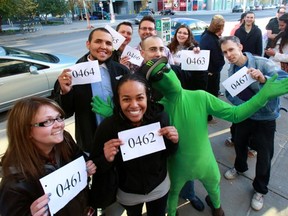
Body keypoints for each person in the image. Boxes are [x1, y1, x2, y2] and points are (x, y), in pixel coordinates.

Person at [139, 55, 288, 216]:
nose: (166, 76)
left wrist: (262, 96)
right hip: (182, 166)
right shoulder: (157, 110)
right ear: (153, 85)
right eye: (158, 75)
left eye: (166, 68)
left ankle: (216, 207)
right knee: (176, 193)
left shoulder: (200, 97)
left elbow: (234, 114)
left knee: (210, 186)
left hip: (196, 164)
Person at [90, 73, 179, 216]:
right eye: (126, 99)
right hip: (128, 193)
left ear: (148, 97)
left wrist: (174, 141)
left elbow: (168, 152)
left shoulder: (161, 117)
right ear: (118, 101)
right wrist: (106, 158)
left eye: (140, 98)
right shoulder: (107, 127)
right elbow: (95, 164)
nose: (134, 105)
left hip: (159, 187)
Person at [220, 36, 288, 211]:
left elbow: (284, 81)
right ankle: (239, 167)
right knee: (240, 143)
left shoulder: (262, 63)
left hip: (265, 118)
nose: (229, 55)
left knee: (264, 155)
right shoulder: (232, 69)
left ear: (240, 46)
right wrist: (241, 107)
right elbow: (230, 93)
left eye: (231, 50)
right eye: (225, 52)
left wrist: (263, 80)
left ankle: (260, 189)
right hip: (244, 116)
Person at [0, 97, 96, 216]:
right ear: (27, 131)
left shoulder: (64, 139)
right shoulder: (14, 182)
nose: (59, 125)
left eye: (59, 118)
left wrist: (86, 167)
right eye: (48, 121)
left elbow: (79, 159)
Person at [56, 27, 130, 154]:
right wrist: (65, 92)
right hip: (91, 142)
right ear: (88, 44)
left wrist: (116, 113)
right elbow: (65, 113)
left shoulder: (121, 71)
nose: (103, 46)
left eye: (108, 43)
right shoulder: (72, 74)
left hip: (120, 138)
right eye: (98, 41)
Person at [200, 14, 225, 121]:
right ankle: (208, 116)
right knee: (212, 94)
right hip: (212, 73)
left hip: (205, 71)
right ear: (220, 28)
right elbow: (218, 59)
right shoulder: (213, 41)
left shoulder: (205, 35)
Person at [167, 24, 207, 92]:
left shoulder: (193, 49)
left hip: (186, 85)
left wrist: (197, 53)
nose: (181, 35)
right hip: (172, 83)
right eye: (179, 32)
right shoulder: (169, 47)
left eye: (185, 33)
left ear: (189, 36)